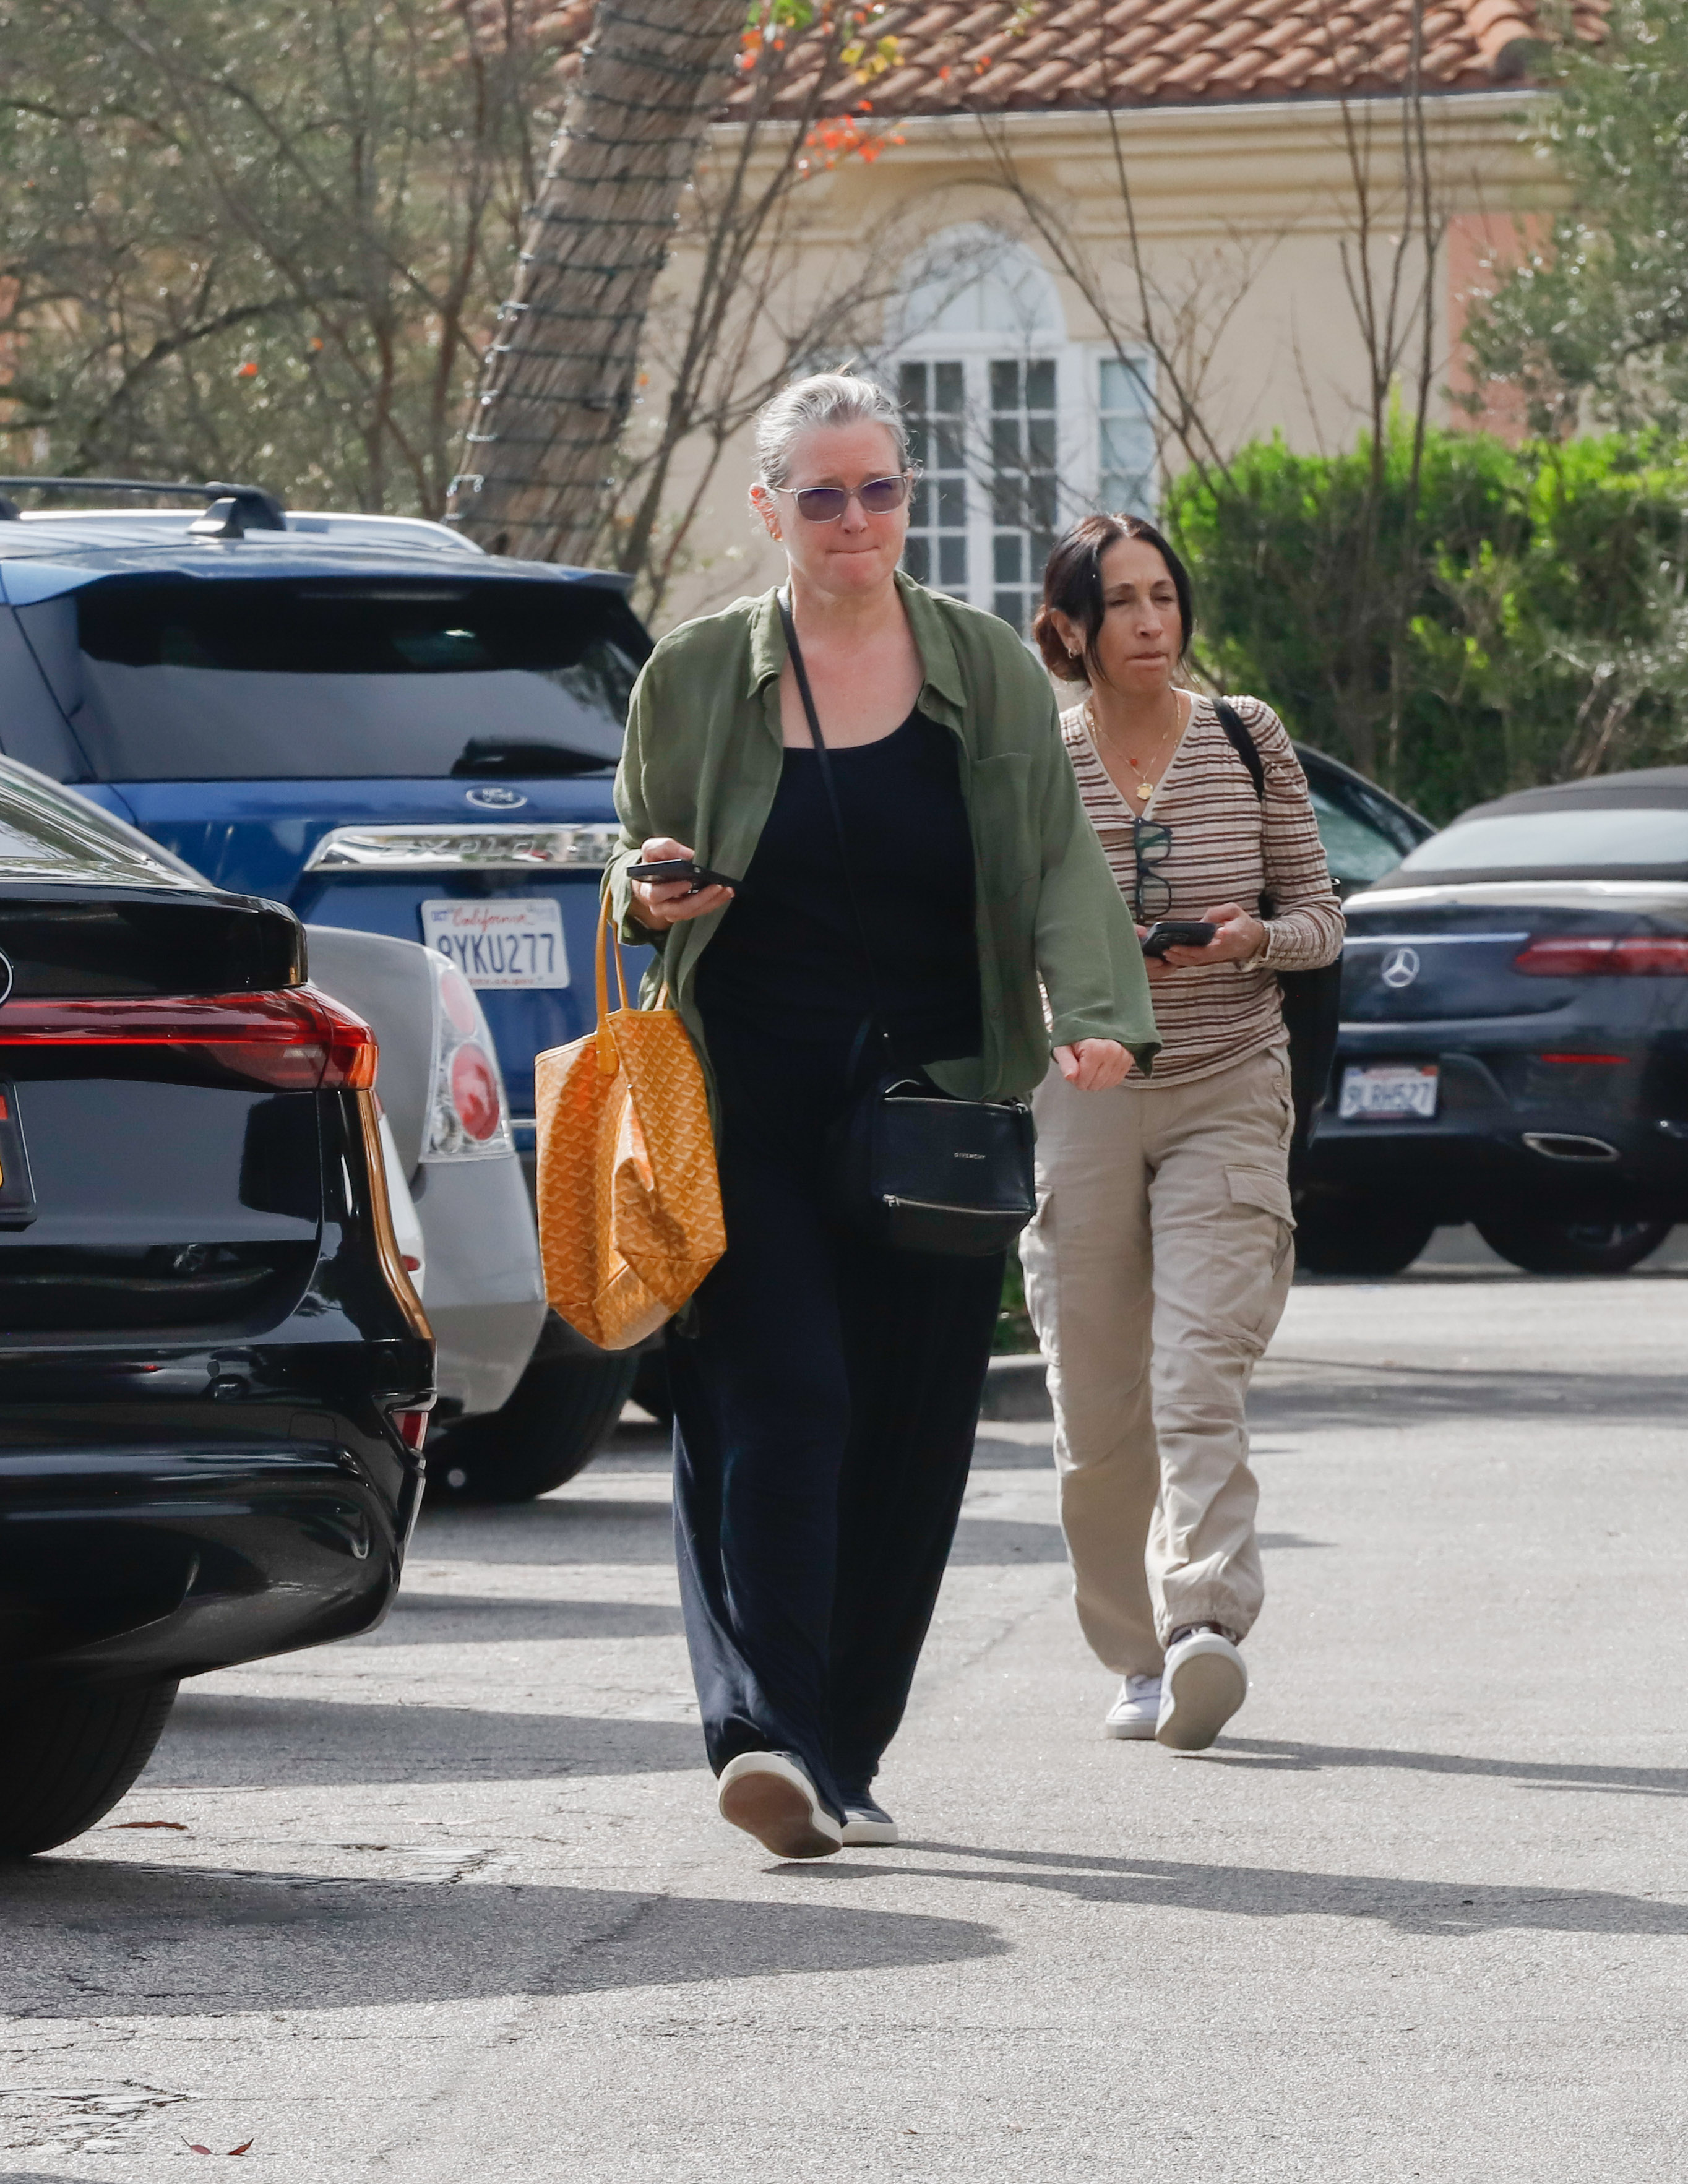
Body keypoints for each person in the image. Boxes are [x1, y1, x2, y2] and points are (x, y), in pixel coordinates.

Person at [605, 374, 1159, 1859]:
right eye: (822, 494)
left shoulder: (977, 663)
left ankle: (841, 1748)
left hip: (941, 1099)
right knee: (779, 1401)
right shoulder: (693, 674)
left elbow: (1051, 859)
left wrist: (1094, 1010)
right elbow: (634, 856)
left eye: (880, 491)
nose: (855, 521)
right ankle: (766, 1732)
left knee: (911, 1430)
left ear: (907, 499)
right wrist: (646, 887)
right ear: (766, 509)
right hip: (745, 1098)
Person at [1022, 512, 1343, 1752]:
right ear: (1071, 628)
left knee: (1196, 1366)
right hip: (1084, 1088)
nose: (1151, 622)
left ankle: (1205, 1620)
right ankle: (1137, 1656)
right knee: (1096, 1401)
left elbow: (1319, 915)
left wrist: (1253, 937)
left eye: (1164, 597)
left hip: (1227, 1077)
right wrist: (1064, 1020)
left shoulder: (1243, 736)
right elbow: (1003, 936)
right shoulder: (1037, 761)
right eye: (1122, 603)